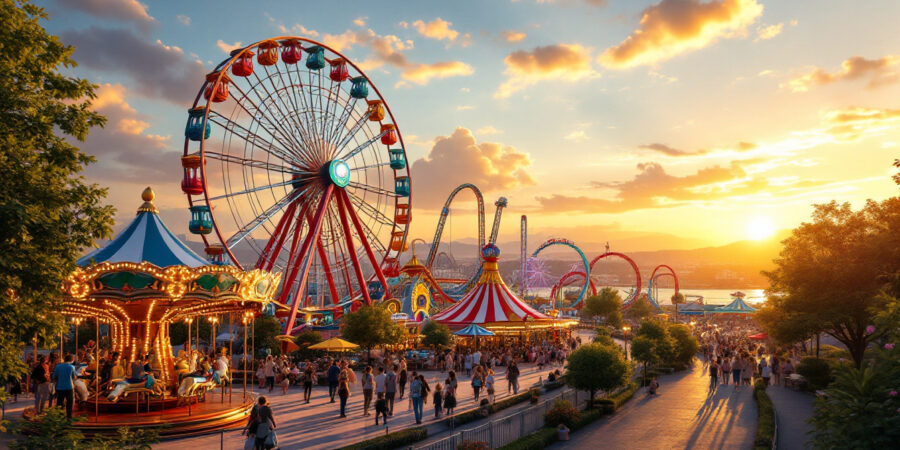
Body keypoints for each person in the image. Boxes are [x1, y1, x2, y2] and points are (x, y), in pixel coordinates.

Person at [51, 354, 77, 419]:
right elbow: (74, 377)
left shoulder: (58, 367)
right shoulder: (72, 367)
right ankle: (69, 416)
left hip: (60, 387)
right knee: (69, 403)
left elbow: (54, 376)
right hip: (69, 387)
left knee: (59, 402)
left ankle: (59, 416)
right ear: (71, 360)